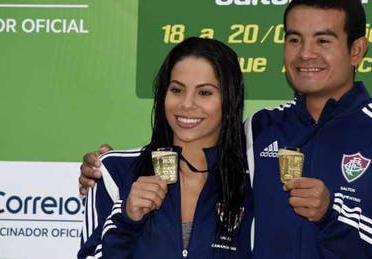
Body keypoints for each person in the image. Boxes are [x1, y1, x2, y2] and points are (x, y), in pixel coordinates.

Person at [79, 0, 372, 258]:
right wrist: (105, 170)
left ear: (357, 49)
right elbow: (190, 139)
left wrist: (335, 216)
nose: (305, 54)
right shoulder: (259, 130)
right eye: (294, 39)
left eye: (323, 40)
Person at [78, 37, 252, 258]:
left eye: (205, 92)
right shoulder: (114, 171)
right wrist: (126, 220)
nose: (187, 104)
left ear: (229, 99)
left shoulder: (255, 178)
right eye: (177, 90)